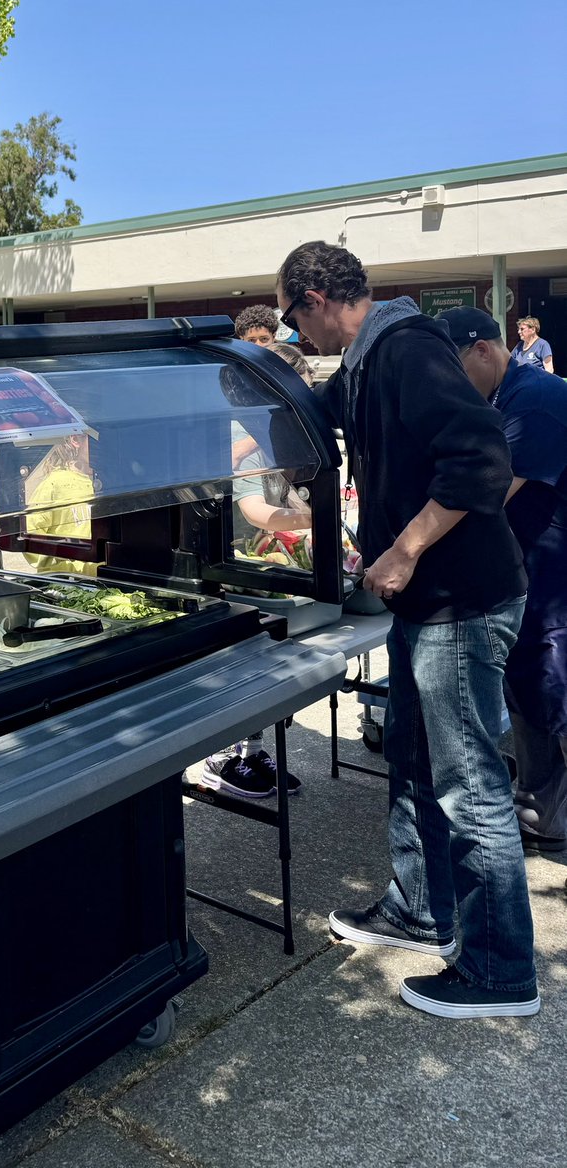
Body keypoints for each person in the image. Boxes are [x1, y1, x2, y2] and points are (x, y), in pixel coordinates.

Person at [277, 241, 538, 1019]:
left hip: (461, 601)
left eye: (295, 319)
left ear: (317, 294)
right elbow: (312, 423)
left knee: (469, 786)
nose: (298, 335)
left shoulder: (405, 348)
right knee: (413, 759)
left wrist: (402, 550)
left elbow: (480, 460)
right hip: (424, 606)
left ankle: (499, 972)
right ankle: (421, 911)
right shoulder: (361, 365)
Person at [444, 306, 567, 855]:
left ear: (485, 350)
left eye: (454, 369)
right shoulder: (497, 396)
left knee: (554, 689)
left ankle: (546, 809)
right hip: (527, 571)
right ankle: (541, 810)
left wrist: (410, 546)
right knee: (528, 688)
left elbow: (488, 494)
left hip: (555, 573)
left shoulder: (535, 399)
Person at [204, 343, 315, 798]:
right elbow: (255, 510)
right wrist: (314, 521)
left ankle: (251, 750)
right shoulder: (246, 437)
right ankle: (224, 757)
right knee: (240, 667)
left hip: (255, 562)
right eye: (300, 399)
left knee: (268, 668)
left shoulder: (278, 438)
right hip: (227, 563)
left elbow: (283, 496)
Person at [23, 434, 98, 575]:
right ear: (76, 440)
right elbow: (29, 534)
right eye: (97, 438)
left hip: (107, 579)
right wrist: (65, 563)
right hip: (68, 581)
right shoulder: (55, 484)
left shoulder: (115, 482)